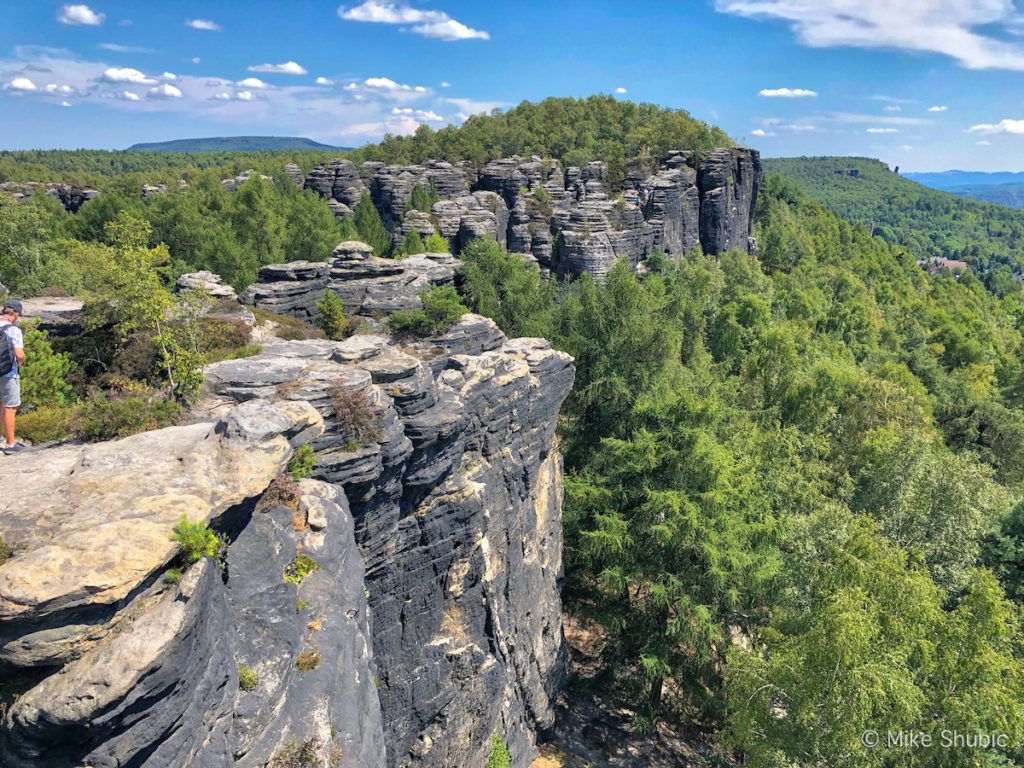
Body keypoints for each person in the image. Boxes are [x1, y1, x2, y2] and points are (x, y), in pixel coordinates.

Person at [0, 300, 26, 455]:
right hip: (8, 373)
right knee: (10, 407)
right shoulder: (13, 330)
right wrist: (22, 361)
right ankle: (11, 444)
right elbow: (19, 354)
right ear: (15, 314)